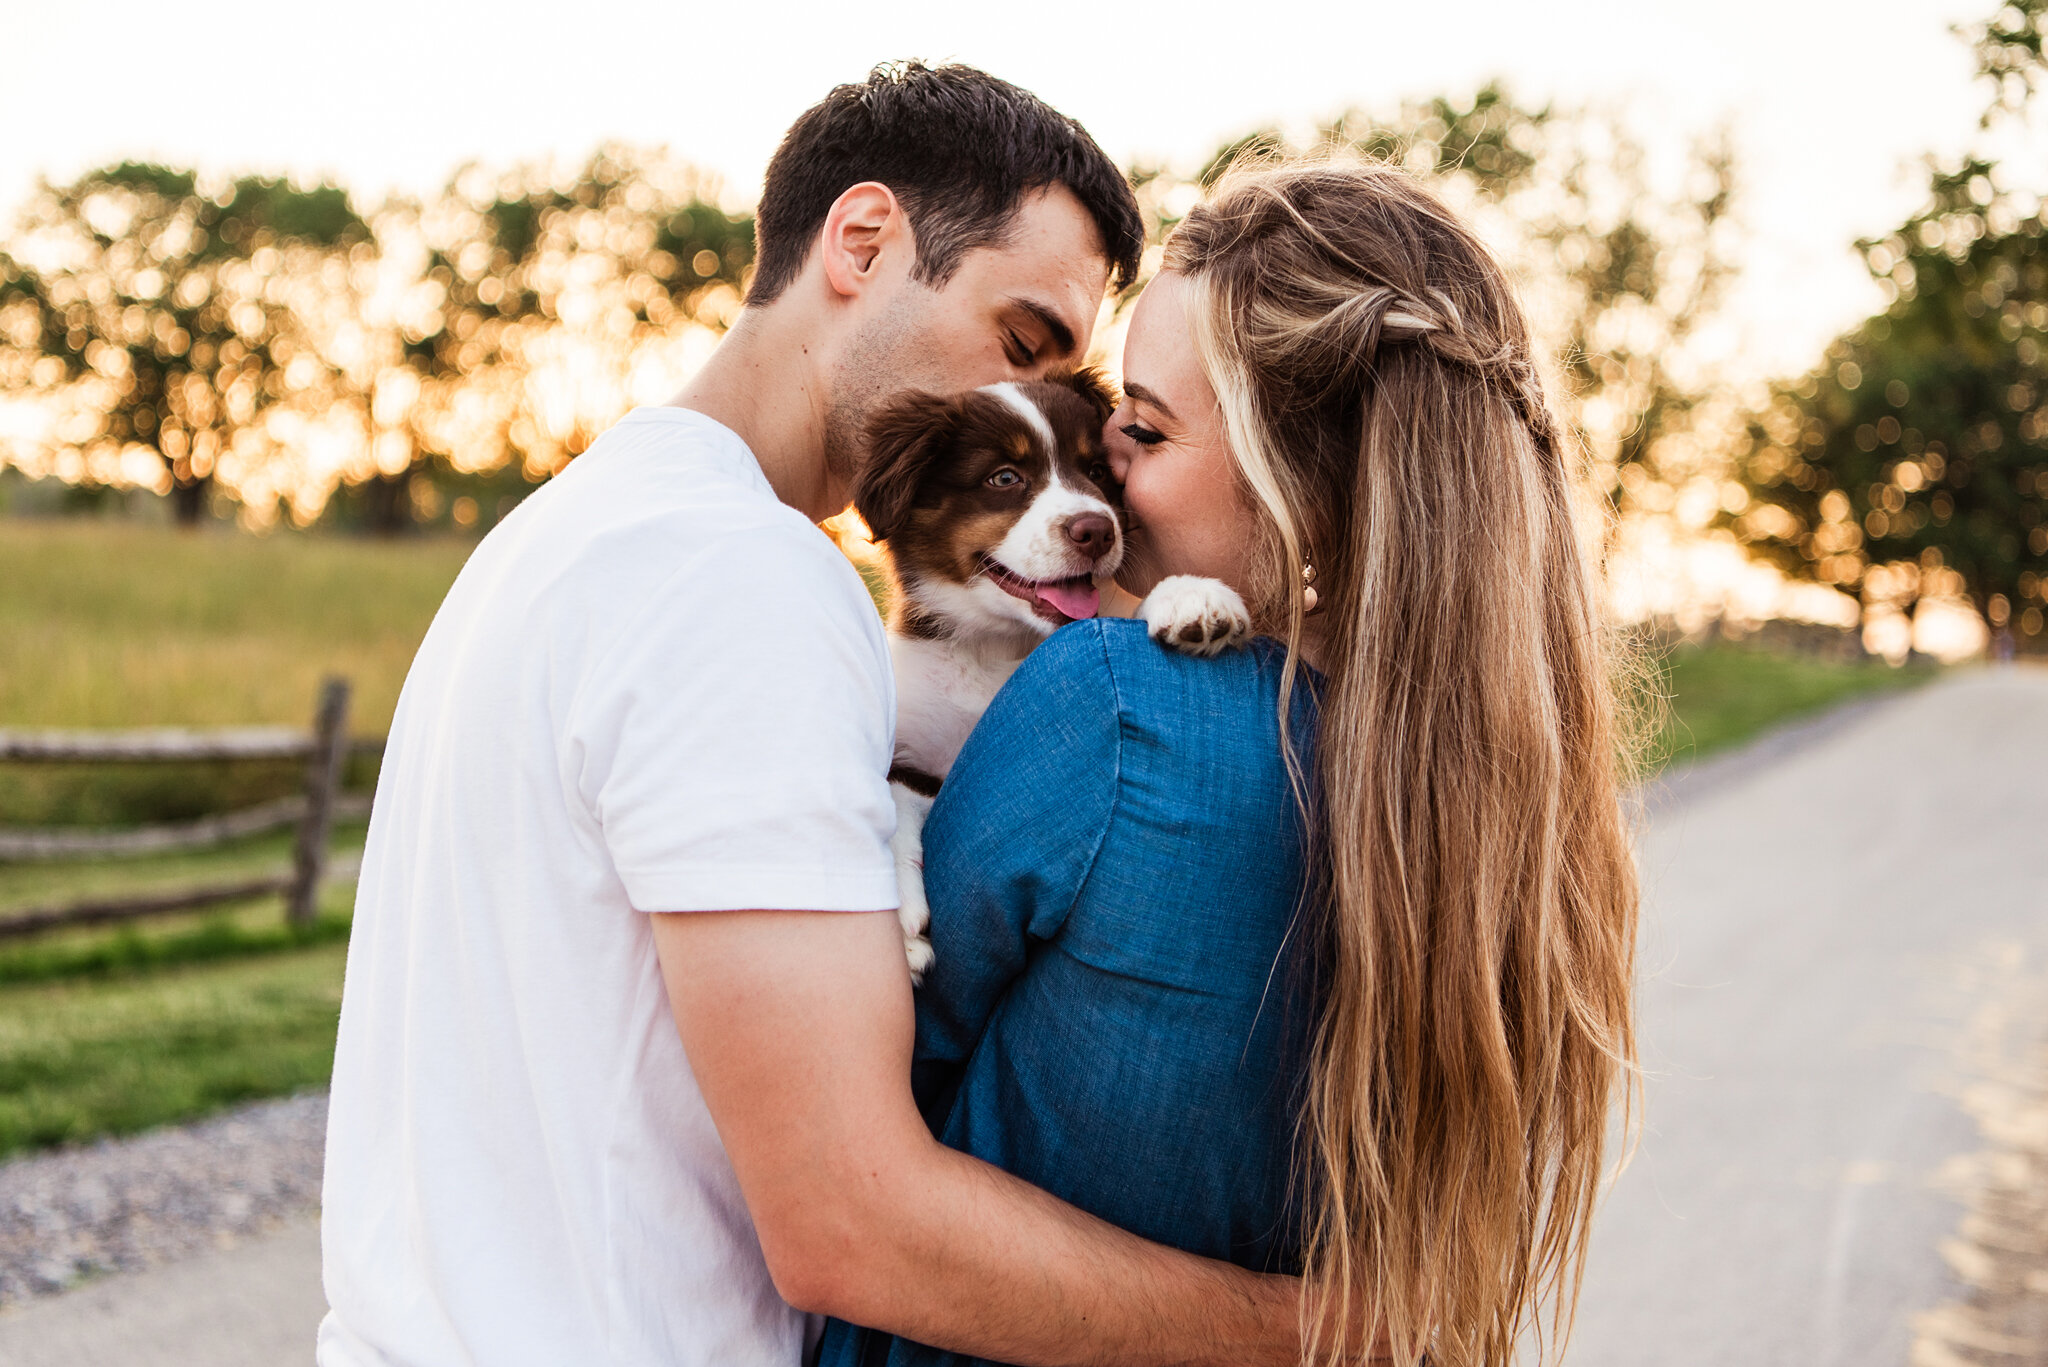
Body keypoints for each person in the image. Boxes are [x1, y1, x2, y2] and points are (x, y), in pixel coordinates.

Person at [317, 64, 1317, 1367]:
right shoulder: (742, 576)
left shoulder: (555, 537)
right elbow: (853, 1218)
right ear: (862, 240)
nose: (1024, 402)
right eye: (1020, 341)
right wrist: (1316, 1328)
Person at [819, 160, 1642, 1367]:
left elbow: (873, 1069)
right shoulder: (1500, 786)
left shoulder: (1110, 704)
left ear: (1293, 480)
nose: (1104, 477)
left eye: (1138, 434)